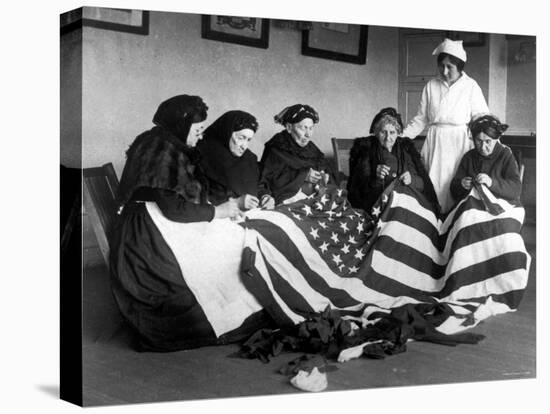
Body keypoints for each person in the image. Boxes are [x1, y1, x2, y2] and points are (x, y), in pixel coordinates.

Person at [111, 95, 262, 351]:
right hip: (144, 236)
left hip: (153, 221)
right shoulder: (159, 151)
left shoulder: (163, 143)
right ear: (181, 126)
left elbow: (176, 201)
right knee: (223, 248)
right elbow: (174, 209)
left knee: (225, 238)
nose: (200, 137)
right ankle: (235, 311)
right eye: (197, 130)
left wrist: (219, 211)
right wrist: (222, 211)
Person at [402, 38, 489, 213]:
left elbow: (482, 120)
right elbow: (421, 119)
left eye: (450, 67)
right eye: (442, 65)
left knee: (456, 183)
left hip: (459, 142)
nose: (445, 70)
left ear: (460, 67)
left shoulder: (471, 86)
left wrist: (490, 143)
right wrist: (401, 137)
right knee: (432, 184)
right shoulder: (431, 86)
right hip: (435, 142)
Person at [347, 107, 439, 213]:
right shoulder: (366, 150)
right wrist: (375, 177)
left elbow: (423, 184)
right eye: (383, 132)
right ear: (376, 133)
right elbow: (357, 190)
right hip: (378, 206)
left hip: (405, 203)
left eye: (392, 132)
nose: (388, 138)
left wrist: (412, 179)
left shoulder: (406, 150)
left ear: (398, 133)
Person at [258, 104, 336, 206]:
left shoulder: (312, 149)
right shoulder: (276, 148)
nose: (308, 134)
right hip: (287, 202)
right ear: (289, 127)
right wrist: (304, 175)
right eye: (304, 128)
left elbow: (328, 176)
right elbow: (268, 182)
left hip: (315, 200)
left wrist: (324, 179)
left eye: (311, 128)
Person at [197, 110, 262, 210]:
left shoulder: (249, 159)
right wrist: (237, 203)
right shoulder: (202, 153)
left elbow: (258, 186)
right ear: (226, 132)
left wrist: (266, 196)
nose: (244, 146)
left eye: (248, 140)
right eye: (241, 138)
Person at [450, 114, 522, 206]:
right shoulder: (469, 156)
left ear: (497, 139)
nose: (483, 147)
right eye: (479, 141)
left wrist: (491, 183)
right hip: (474, 205)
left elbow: (515, 189)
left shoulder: (505, 154)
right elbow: (453, 190)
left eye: (488, 141)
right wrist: (462, 185)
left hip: (503, 205)